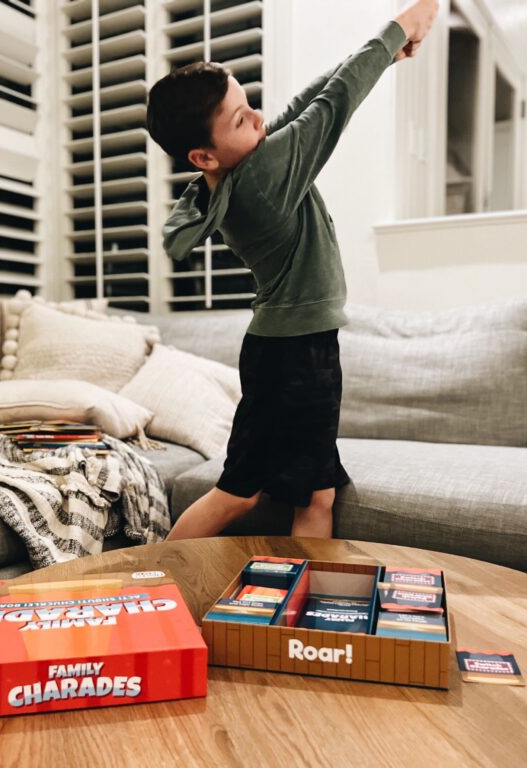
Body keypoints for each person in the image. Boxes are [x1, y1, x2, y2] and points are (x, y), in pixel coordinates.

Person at [146, 1, 439, 539]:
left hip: (287, 349)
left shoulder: (241, 171)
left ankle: (260, 605)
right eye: (240, 119)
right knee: (259, 496)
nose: (257, 117)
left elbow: (305, 104)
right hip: (298, 356)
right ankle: (162, 582)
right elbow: (332, 105)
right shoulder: (261, 183)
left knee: (306, 491)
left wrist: (388, 54)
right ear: (203, 157)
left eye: (247, 104)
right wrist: (399, 27)